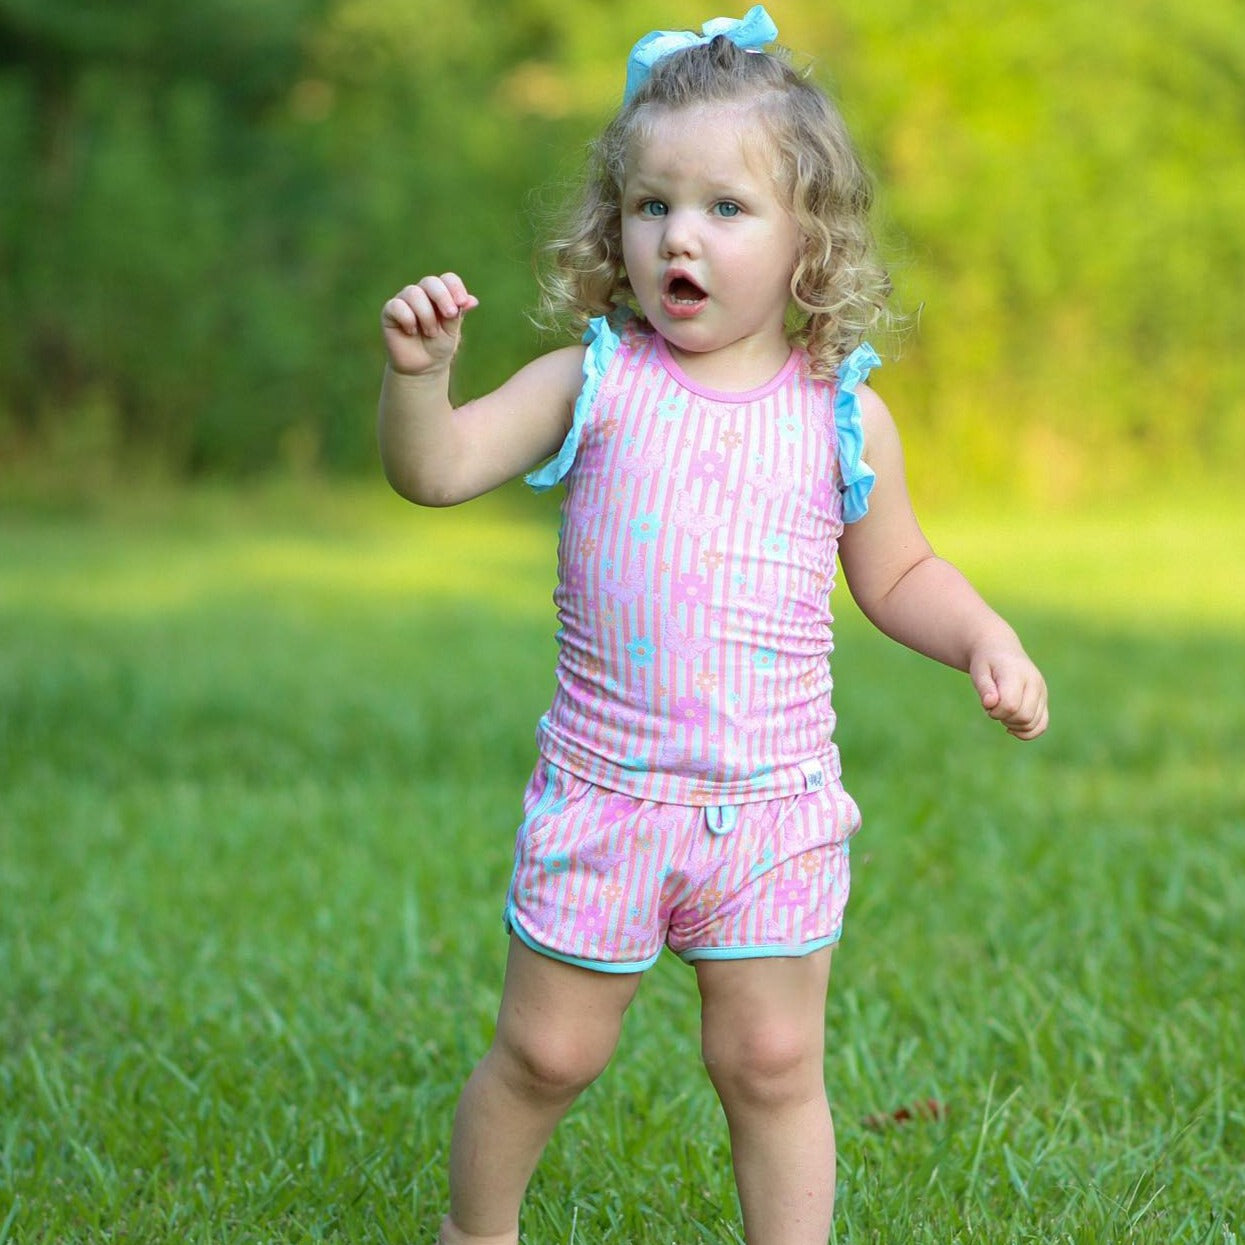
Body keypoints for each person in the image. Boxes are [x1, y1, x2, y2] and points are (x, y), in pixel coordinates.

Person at [377, 8, 1049, 1243]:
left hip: (774, 809)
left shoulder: (842, 416)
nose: (681, 234)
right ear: (616, 226)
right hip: (608, 796)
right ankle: (477, 1234)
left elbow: (900, 574)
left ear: (809, 241)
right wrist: (421, 382)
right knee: (547, 1053)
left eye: (726, 209)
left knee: (776, 1064)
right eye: (652, 206)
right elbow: (440, 470)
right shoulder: (596, 379)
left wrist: (984, 636)